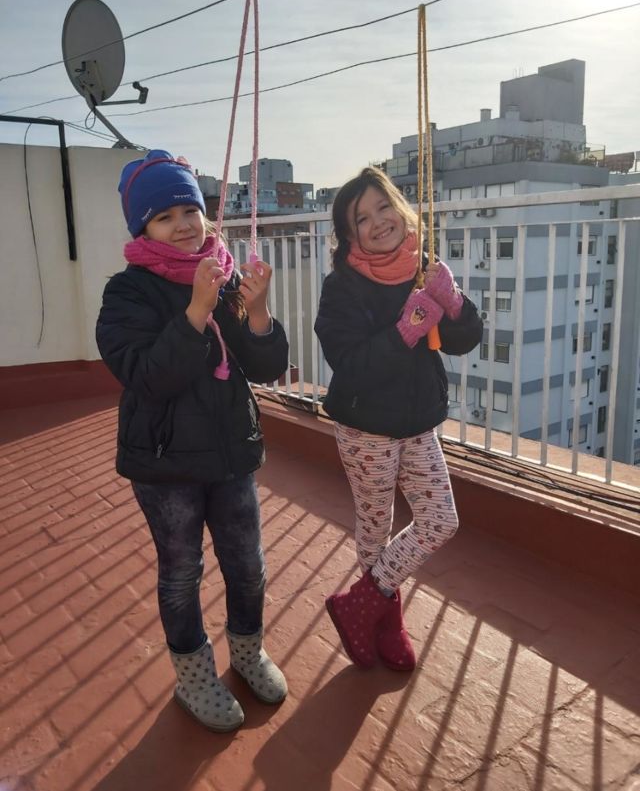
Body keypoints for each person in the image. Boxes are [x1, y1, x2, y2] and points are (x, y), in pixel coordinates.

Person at [96, 150, 289, 732]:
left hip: (230, 453)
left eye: (189, 210)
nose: (183, 224)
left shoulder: (220, 273)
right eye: (164, 217)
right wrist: (196, 312)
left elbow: (265, 367)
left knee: (248, 565)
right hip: (165, 464)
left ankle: (248, 651)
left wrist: (258, 313)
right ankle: (194, 677)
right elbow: (147, 377)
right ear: (143, 228)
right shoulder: (127, 293)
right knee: (181, 572)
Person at [314, 166, 483, 672]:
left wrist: (454, 303)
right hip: (366, 426)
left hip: (417, 420)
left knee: (440, 520)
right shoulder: (341, 288)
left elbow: (462, 341)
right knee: (376, 528)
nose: (378, 221)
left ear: (400, 207)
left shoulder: (420, 267)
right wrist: (405, 329)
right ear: (349, 236)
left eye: (383, 206)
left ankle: (360, 604)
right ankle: (387, 623)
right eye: (362, 219)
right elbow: (350, 365)